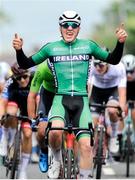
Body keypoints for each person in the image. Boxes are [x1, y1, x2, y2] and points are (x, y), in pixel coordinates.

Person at [12, 10, 127, 179]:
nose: (70, 28)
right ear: (60, 28)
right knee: (55, 132)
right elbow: (25, 63)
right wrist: (19, 50)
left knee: (86, 147)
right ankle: (56, 159)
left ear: (79, 28)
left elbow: (113, 59)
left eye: (74, 25)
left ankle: (85, 175)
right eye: (66, 25)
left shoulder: (89, 45)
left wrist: (120, 43)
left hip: (81, 101)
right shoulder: (51, 48)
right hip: (61, 99)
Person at [0, 63, 34, 179]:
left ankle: (23, 170)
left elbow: (40, 102)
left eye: (25, 77)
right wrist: (2, 118)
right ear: (14, 78)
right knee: (10, 114)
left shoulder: (36, 80)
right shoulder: (10, 82)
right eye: (19, 78)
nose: (23, 80)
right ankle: (5, 138)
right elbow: (2, 102)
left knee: (28, 134)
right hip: (14, 101)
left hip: (28, 107)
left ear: (29, 74)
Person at [88, 57, 127, 159]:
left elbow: (122, 91)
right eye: (96, 65)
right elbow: (87, 88)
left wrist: (121, 109)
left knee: (112, 110)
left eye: (101, 65)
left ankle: (114, 136)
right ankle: (94, 144)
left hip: (112, 91)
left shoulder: (117, 67)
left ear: (108, 64)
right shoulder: (91, 66)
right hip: (97, 92)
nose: (98, 68)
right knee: (93, 121)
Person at [27, 61, 55, 173]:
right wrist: (32, 119)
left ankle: (75, 159)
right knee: (42, 131)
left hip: (66, 95)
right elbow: (31, 96)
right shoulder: (42, 68)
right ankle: (43, 150)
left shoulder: (70, 64)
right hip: (47, 96)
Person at [121, 54, 135, 143]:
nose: (129, 75)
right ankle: (119, 136)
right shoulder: (119, 77)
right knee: (120, 114)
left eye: (131, 71)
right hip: (124, 98)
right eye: (126, 72)